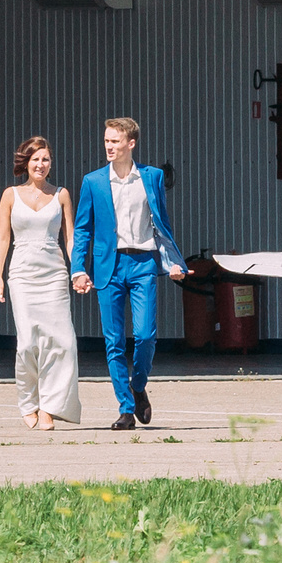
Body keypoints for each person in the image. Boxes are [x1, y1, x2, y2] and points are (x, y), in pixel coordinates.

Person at [70, 116, 183, 431]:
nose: (109, 146)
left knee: (146, 334)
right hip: (109, 265)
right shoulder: (93, 182)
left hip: (144, 263)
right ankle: (124, 407)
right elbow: (82, 229)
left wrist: (172, 262)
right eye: (106, 140)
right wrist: (78, 268)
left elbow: (161, 224)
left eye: (115, 141)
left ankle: (138, 384)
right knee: (113, 340)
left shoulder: (152, 177)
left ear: (131, 143)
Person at [0, 136, 82, 430]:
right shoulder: (10, 195)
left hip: (54, 274)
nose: (41, 164)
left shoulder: (62, 195)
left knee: (64, 343)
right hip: (21, 274)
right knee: (28, 343)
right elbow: (3, 237)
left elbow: (70, 239)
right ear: (26, 163)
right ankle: (28, 403)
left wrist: (78, 271)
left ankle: (50, 408)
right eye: (35, 159)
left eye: (45, 159)